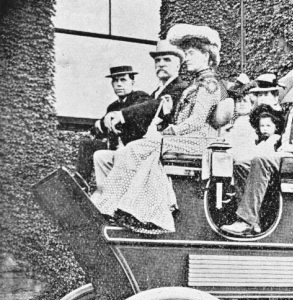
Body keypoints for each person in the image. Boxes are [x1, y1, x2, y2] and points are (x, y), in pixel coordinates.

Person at [91, 23, 225, 234]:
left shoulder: (209, 84)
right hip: (186, 139)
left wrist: (171, 131)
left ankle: (137, 210)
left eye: (190, 53)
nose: (186, 58)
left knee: (138, 148)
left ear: (207, 56)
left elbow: (197, 122)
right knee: (138, 149)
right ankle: (114, 205)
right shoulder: (195, 85)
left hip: (200, 142)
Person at [221, 48, 293, 236]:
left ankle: (244, 221)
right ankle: (254, 221)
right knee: (242, 164)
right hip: (290, 155)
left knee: (261, 160)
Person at [93, 41, 188, 187]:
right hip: (147, 145)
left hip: (165, 147)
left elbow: (154, 106)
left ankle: (115, 201)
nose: (161, 64)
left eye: (166, 60)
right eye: (157, 61)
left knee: (124, 153)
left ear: (178, 65)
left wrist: (122, 115)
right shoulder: (156, 92)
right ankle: (105, 199)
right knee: (101, 157)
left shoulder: (180, 88)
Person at [76, 66, 150, 182]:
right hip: (114, 148)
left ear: (132, 82)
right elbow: (103, 126)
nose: (119, 84)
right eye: (115, 80)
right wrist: (96, 127)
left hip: (133, 150)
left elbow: (136, 112)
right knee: (87, 144)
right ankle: (80, 185)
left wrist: (118, 116)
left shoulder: (140, 97)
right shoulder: (112, 106)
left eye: (123, 80)